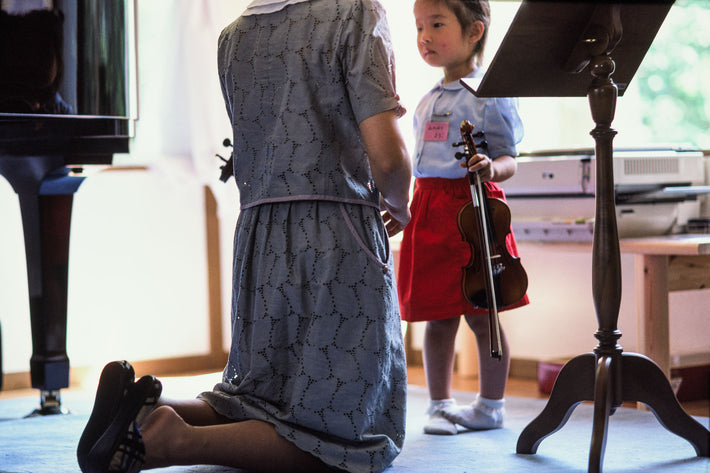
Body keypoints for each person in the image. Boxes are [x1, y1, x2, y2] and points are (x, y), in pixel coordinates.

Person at [76, 1, 412, 472]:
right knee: (350, 440)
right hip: (336, 237)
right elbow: (390, 159)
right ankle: (172, 443)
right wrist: (399, 204)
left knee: (267, 396)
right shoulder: (355, 11)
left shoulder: (235, 35)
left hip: (260, 238)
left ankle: (148, 403)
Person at [397, 0, 528, 436]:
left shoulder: (489, 95)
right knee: (437, 315)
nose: (425, 37)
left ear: (474, 31)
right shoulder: (425, 101)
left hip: (473, 211)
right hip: (430, 209)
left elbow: (509, 158)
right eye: (419, 27)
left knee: (482, 311)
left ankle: (491, 406)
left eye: (436, 24)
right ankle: (439, 405)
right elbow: (420, 166)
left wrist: (491, 167)